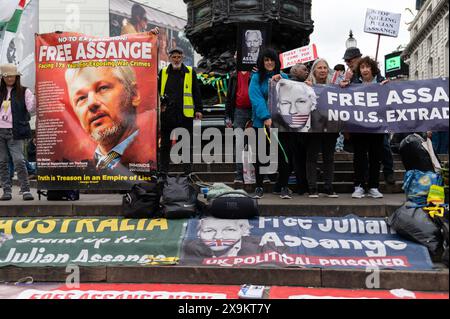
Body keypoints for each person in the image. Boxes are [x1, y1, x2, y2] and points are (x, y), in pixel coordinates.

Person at [65, 65, 156, 170]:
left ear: (134, 94)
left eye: (102, 88)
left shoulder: (155, 151)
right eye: (81, 98)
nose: (91, 103)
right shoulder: (80, 169)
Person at [341, 56, 389, 199]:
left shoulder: (382, 82)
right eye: (362, 67)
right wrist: (344, 85)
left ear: (373, 69)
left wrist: (389, 87)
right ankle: (359, 186)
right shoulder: (354, 83)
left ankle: (374, 186)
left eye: (368, 67)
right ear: (359, 70)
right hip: (359, 127)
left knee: (375, 157)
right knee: (359, 158)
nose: (365, 70)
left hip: (377, 127)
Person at [249, 48, 289, 199]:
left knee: (283, 155)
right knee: (260, 156)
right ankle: (259, 186)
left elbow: (294, 92)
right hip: (261, 123)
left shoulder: (283, 76)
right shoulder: (256, 77)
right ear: (262, 62)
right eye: (266, 60)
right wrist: (265, 116)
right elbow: (255, 97)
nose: (269, 62)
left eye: (272, 60)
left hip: (281, 123)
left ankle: (284, 186)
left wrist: (283, 81)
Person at [158, 47, 203, 176]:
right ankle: (163, 171)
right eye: (174, 57)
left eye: (178, 57)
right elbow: (157, 92)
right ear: (169, 58)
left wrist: (199, 109)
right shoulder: (163, 72)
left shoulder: (190, 72)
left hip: (185, 115)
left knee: (186, 144)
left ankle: (188, 172)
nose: (176, 60)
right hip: (167, 114)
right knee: (165, 145)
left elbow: (196, 92)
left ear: (182, 58)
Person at [304, 58, 339, 198]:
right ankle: (312, 187)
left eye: (325, 67)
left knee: (329, 157)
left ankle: (328, 187)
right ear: (314, 70)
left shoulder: (335, 87)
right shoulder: (306, 85)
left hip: (330, 126)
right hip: (313, 127)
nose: (323, 70)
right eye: (320, 68)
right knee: (312, 157)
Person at [0, 64, 35, 201]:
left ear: (17, 77)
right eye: (7, 76)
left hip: (16, 131)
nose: (10, 78)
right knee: (2, 162)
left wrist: (37, 95)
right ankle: (6, 191)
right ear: (3, 77)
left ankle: (25, 190)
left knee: (19, 160)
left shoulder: (24, 91)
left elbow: (31, 108)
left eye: (12, 75)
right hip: (0, 131)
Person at [180, 217, 282, 264]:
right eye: (209, 231)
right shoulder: (190, 248)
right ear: (198, 233)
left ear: (242, 230)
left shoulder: (263, 246)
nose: (218, 237)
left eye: (229, 229)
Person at [225, 52, 253, 184]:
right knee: (240, 144)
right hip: (238, 111)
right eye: (237, 56)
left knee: (256, 142)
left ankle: (259, 173)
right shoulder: (234, 75)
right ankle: (239, 174)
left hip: (254, 111)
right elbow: (229, 97)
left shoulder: (254, 73)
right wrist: (228, 116)